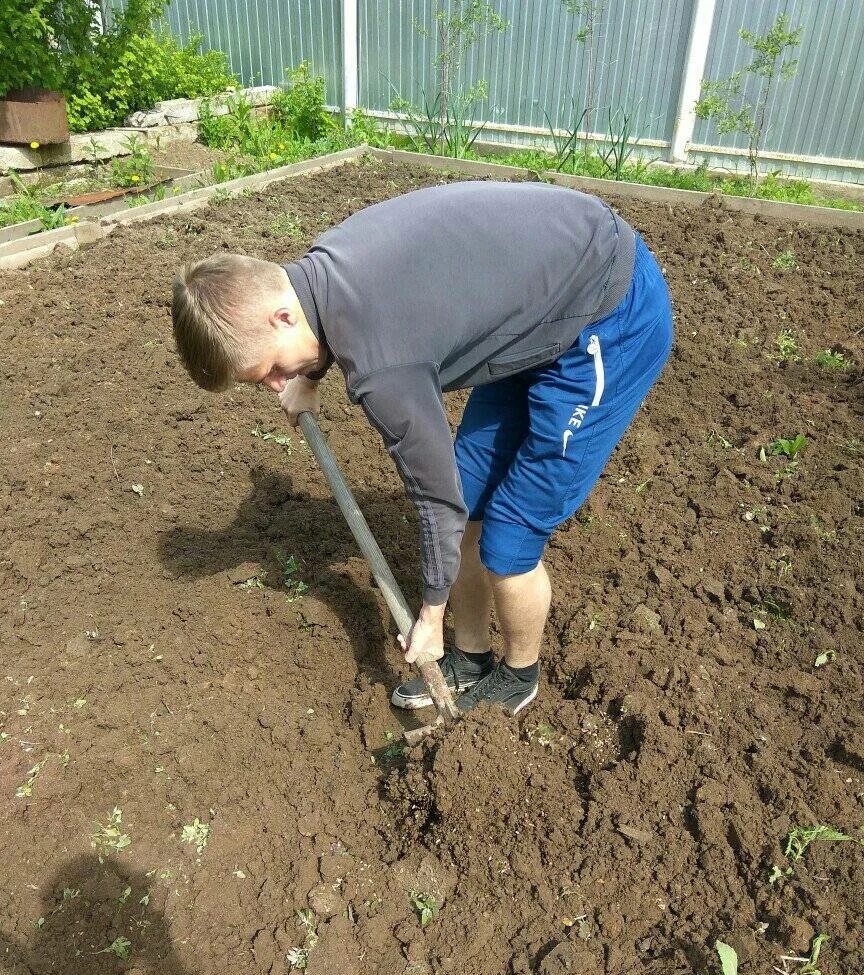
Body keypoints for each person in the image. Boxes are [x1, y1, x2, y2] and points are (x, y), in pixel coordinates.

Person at [172, 179, 673, 716]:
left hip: (607, 313)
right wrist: (310, 375)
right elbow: (328, 328)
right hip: (533, 309)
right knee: (472, 491)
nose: (274, 385)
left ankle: (520, 673)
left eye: (270, 370)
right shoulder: (317, 274)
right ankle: (471, 656)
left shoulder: (383, 367)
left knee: (509, 536)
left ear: (282, 317)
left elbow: (434, 496)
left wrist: (431, 611)